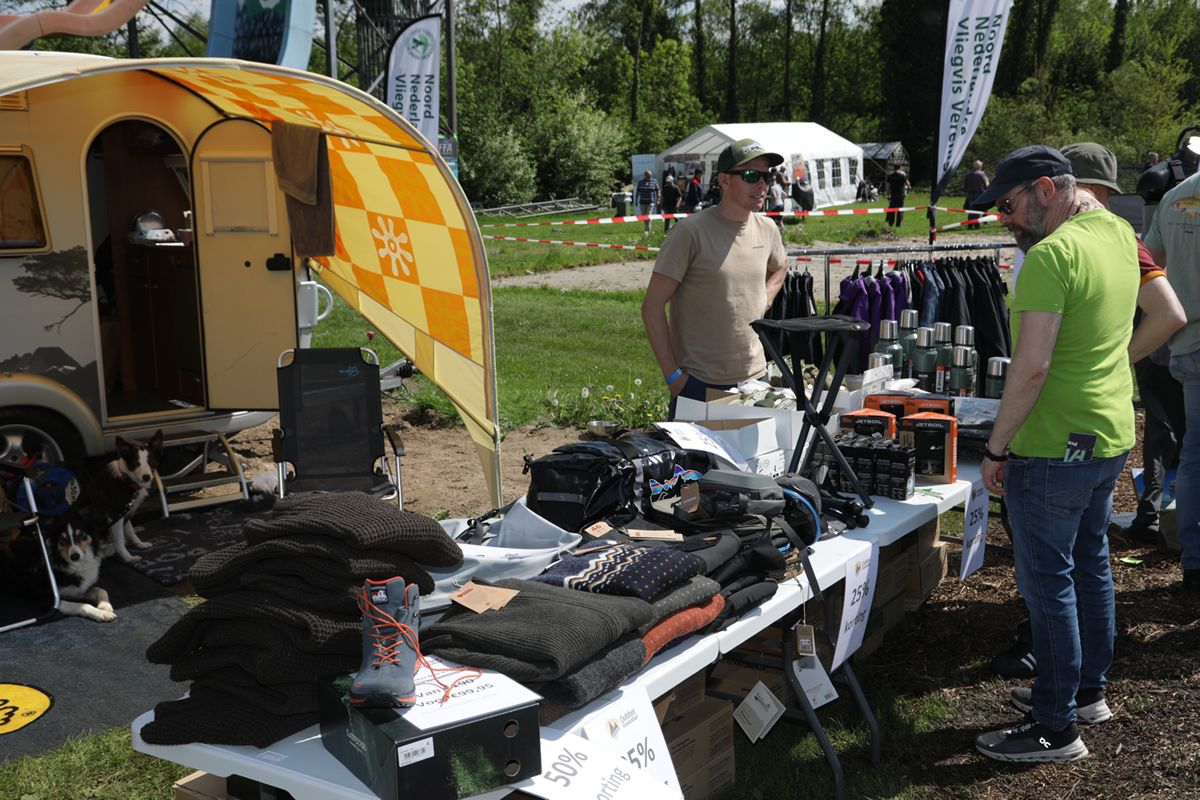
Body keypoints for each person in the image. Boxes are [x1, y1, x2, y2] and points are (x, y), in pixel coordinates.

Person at [973, 145, 1139, 763]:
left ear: (1046, 189)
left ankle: (1055, 727)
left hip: (1053, 445)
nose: (1006, 220)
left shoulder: (1050, 256)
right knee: (1089, 564)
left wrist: (997, 446)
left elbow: (1032, 366)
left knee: (1048, 583)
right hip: (1108, 432)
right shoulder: (1118, 233)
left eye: (1009, 205)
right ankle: (1085, 692)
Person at [1061, 142, 1187, 544]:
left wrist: (1117, 358)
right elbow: (1168, 309)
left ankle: (1150, 517)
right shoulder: (1121, 236)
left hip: (1076, 405)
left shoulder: (1065, 242)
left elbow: (1168, 310)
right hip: (1110, 396)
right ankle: (1152, 517)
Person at [641, 138, 787, 419]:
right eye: (751, 175)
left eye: (766, 176)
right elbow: (652, 306)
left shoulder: (768, 229)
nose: (762, 184)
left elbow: (780, 266)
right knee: (699, 453)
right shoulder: (690, 232)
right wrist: (674, 377)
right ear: (724, 180)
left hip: (756, 380)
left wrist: (765, 298)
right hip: (700, 385)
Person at [1145, 165, 1200, 592]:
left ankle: (1194, 560)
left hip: (1188, 346)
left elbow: (1150, 264)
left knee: (1194, 452)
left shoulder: (1174, 197)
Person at [964, 160, 989, 229]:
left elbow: (965, 185)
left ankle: (970, 224)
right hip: (980, 193)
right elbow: (986, 184)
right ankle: (977, 224)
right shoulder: (982, 174)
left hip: (970, 194)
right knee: (978, 209)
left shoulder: (968, 174)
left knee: (971, 209)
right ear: (980, 166)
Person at [635, 170, 660, 235]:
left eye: (650, 176)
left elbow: (658, 190)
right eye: (649, 176)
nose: (650, 177)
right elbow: (638, 192)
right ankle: (647, 228)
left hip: (651, 202)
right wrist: (636, 200)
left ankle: (647, 231)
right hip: (642, 202)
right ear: (645, 176)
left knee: (648, 215)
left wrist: (658, 199)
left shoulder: (654, 181)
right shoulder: (640, 182)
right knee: (644, 216)